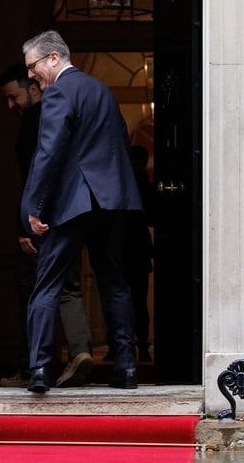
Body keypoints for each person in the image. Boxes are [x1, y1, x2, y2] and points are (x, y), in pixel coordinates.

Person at [21, 30, 143, 392]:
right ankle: (126, 369)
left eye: (33, 66)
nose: (30, 75)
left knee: (47, 284)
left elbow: (50, 150)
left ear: (54, 58)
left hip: (73, 203)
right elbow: (119, 142)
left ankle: (40, 369)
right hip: (111, 202)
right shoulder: (103, 91)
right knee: (115, 283)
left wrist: (35, 206)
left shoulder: (60, 89)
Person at [0, 64, 94, 389]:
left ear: (33, 89)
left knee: (36, 290)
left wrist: (25, 224)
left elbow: (32, 179)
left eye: (14, 97)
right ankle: (80, 351)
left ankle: (34, 367)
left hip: (41, 221)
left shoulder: (35, 124)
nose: (11, 106)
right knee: (69, 286)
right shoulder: (64, 116)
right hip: (70, 213)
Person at [104, 144, 155, 363]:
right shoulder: (135, 186)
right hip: (126, 248)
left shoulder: (133, 186)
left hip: (131, 248)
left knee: (129, 300)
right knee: (124, 299)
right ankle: (126, 347)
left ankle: (138, 346)